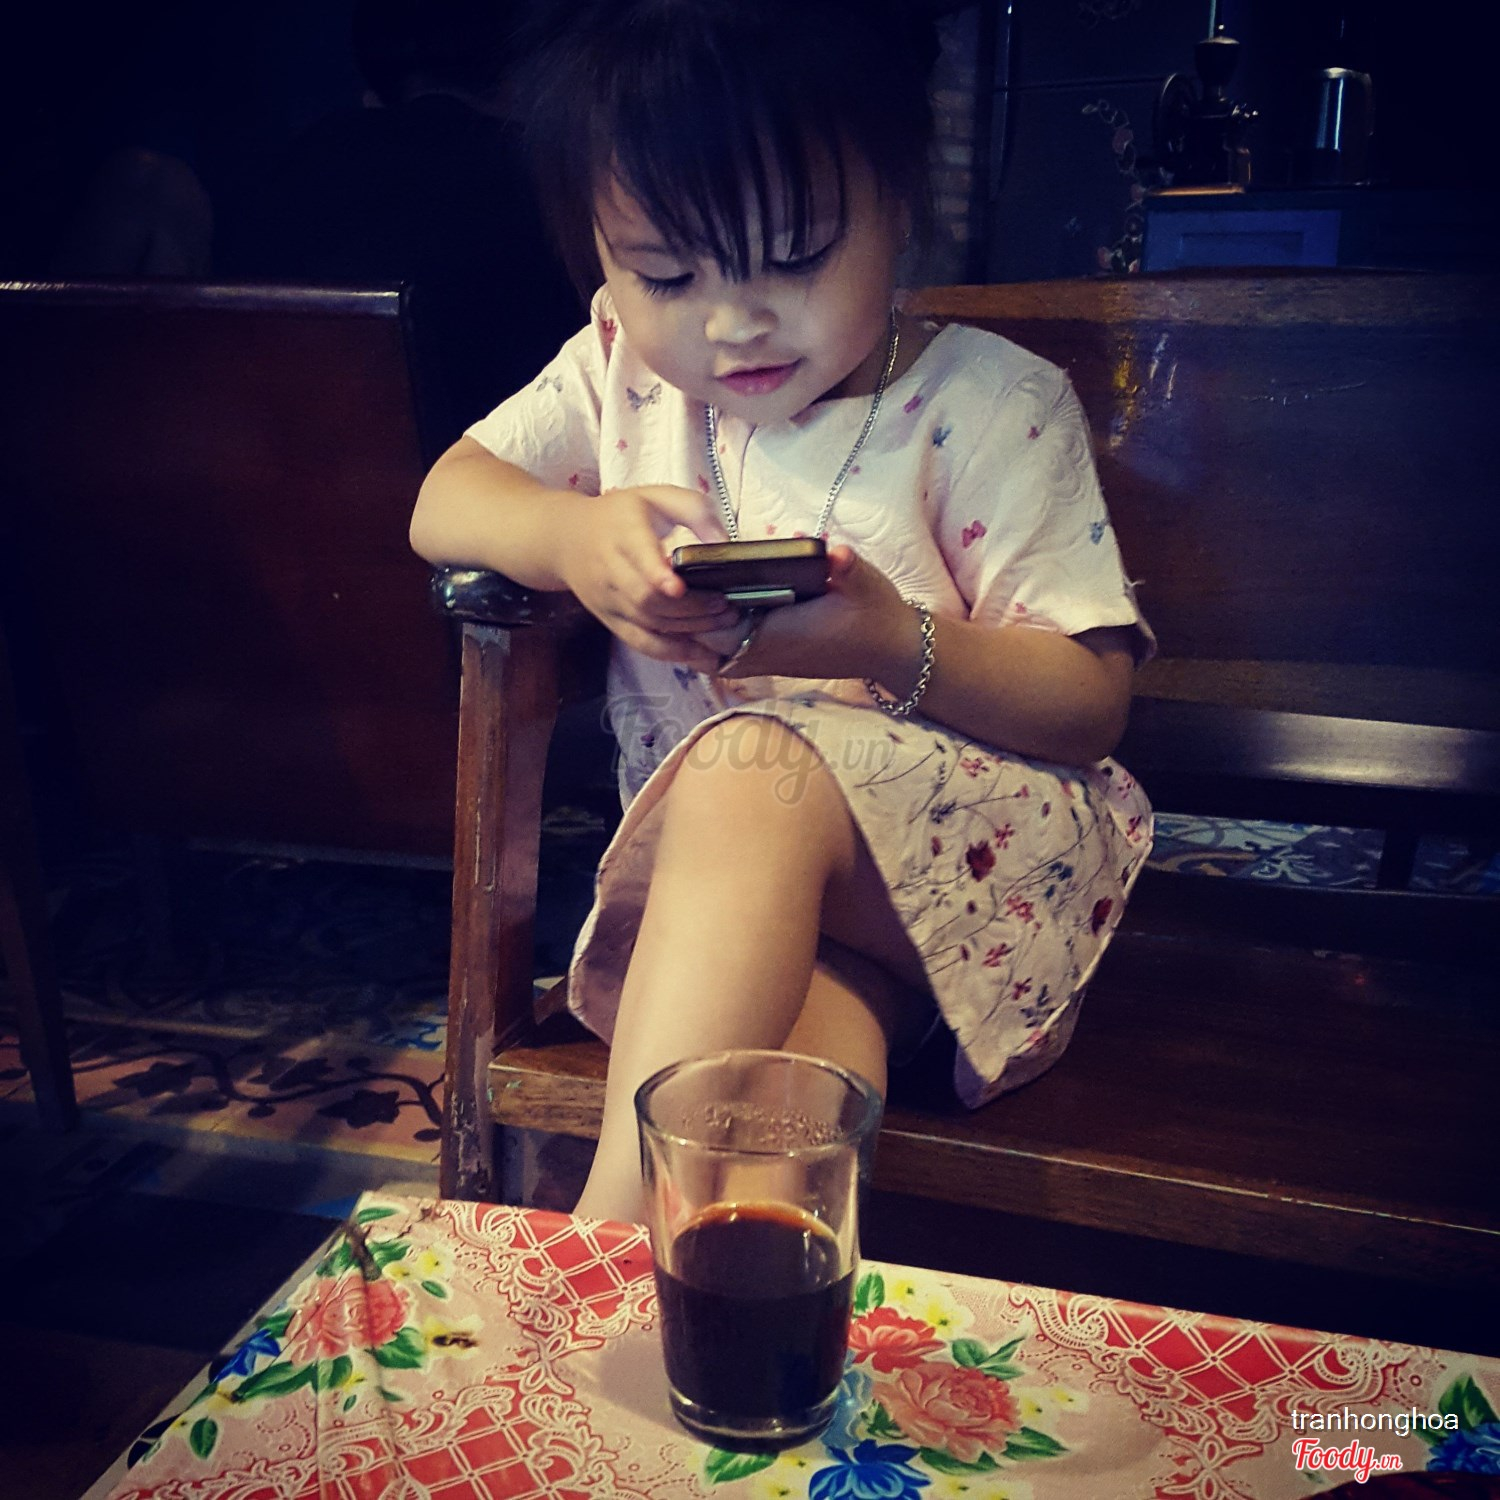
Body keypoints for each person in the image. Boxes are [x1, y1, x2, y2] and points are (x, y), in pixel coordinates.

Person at [409, 0, 1154, 1223]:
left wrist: (885, 639)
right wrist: (571, 536)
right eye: (667, 274)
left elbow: (1089, 704)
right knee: (769, 1113)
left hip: (972, 885)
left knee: (747, 767)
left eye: (795, 256)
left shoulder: (990, 404)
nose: (733, 321)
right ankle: (710, 1326)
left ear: (900, 203)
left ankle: (595, 1242)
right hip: (780, 933)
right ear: (603, 257)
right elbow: (444, 500)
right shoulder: (620, 372)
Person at [217, 0, 580, 442]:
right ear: (522, 75)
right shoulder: (550, 178)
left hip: (280, 458)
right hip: (505, 463)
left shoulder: (287, 171)